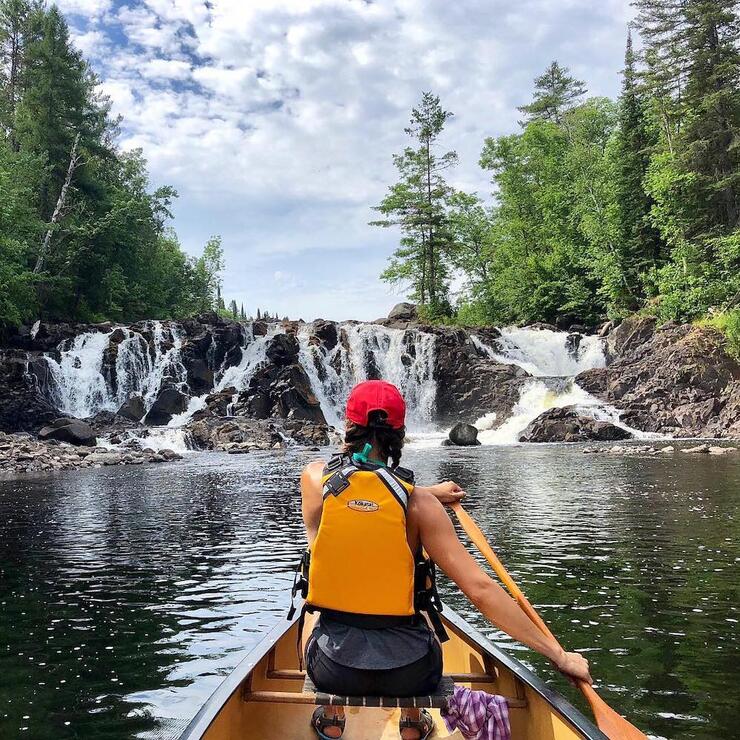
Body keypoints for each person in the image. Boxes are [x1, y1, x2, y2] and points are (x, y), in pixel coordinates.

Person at [298, 380, 591, 740]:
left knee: (313, 607)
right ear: (400, 434)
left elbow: (360, 492)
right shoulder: (421, 507)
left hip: (332, 668)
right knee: (416, 600)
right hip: (411, 672)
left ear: (348, 426)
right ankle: (411, 719)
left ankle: (330, 712)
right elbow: (482, 591)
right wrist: (558, 655)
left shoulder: (313, 480)